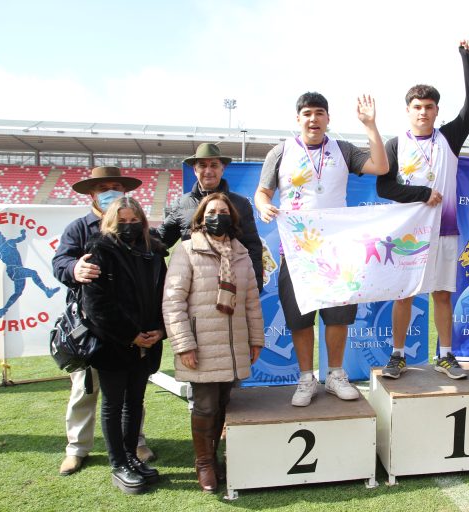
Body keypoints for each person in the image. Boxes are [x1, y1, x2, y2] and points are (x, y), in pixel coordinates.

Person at [254, 92, 388, 407]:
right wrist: (263, 206)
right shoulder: (280, 152)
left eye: (319, 113)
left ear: (328, 118)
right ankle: (305, 377)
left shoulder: (342, 150)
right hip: (297, 253)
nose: (313, 119)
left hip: (337, 253)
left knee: (337, 318)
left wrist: (370, 125)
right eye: (307, 114)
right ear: (298, 119)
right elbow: (263, 192)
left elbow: (381, 166)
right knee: (300, 320)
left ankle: (335, 375)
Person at [376, 39, 469, 379]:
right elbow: (384, 186)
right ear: (407, 110)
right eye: (417, 106)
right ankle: (397, 355)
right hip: (408, 234)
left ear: (437, 111)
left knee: (441, 295)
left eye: (429, 107)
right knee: (404, 295)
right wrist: (423, 193)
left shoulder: (449, 137)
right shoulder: (396, 144)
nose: (423, 112)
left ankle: (447, 355)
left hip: (444, 230)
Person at [51, 166, 155, 475]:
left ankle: (135, 442)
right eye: (103, 187)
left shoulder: (134, 226)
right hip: (91, 326)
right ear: (92, 193)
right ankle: (77, 447)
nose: (110, 191)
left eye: (116, 186)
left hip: (131, 324)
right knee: (86, 389)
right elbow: (60, 262)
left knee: (131, 392)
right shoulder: (79, 228)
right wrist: (73, 269)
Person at [163, 193, 264, 493]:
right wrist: (184, 343)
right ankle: (204, 463)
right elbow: (173, 301)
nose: (216, 215)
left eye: (222, 211)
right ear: (200, 217)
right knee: (205, 406)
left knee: (222, 403)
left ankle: (215, 457)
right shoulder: (186, 250)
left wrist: (256, 339)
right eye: (210, 211)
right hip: (202, 344)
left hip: (233, 346)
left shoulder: (241, 254)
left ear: (231, 218)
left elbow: (251, 303)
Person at [80, 197, 166, 495]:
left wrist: (159, 330)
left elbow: (163, 296)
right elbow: (96, 305)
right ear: (110, 222)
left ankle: (131, 456)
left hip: (147, 342)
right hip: (113, 344)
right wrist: (130, 335)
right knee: (113, 404)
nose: (129, 227)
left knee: (135, 403)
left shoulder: (153, 251)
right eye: (123, 221)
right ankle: (118, 464)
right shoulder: (99, 250)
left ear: (142, 222)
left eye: (134, 221)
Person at [157, 143, 264, 291]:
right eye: (202, 165)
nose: (208, 171)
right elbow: (161, 240)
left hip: (231, 285)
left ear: (222, 169)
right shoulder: (181, 204)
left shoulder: (240, 204)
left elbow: (253, 247)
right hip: (194, 287)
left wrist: (255, 285)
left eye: (214, 165)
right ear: (195, 170)